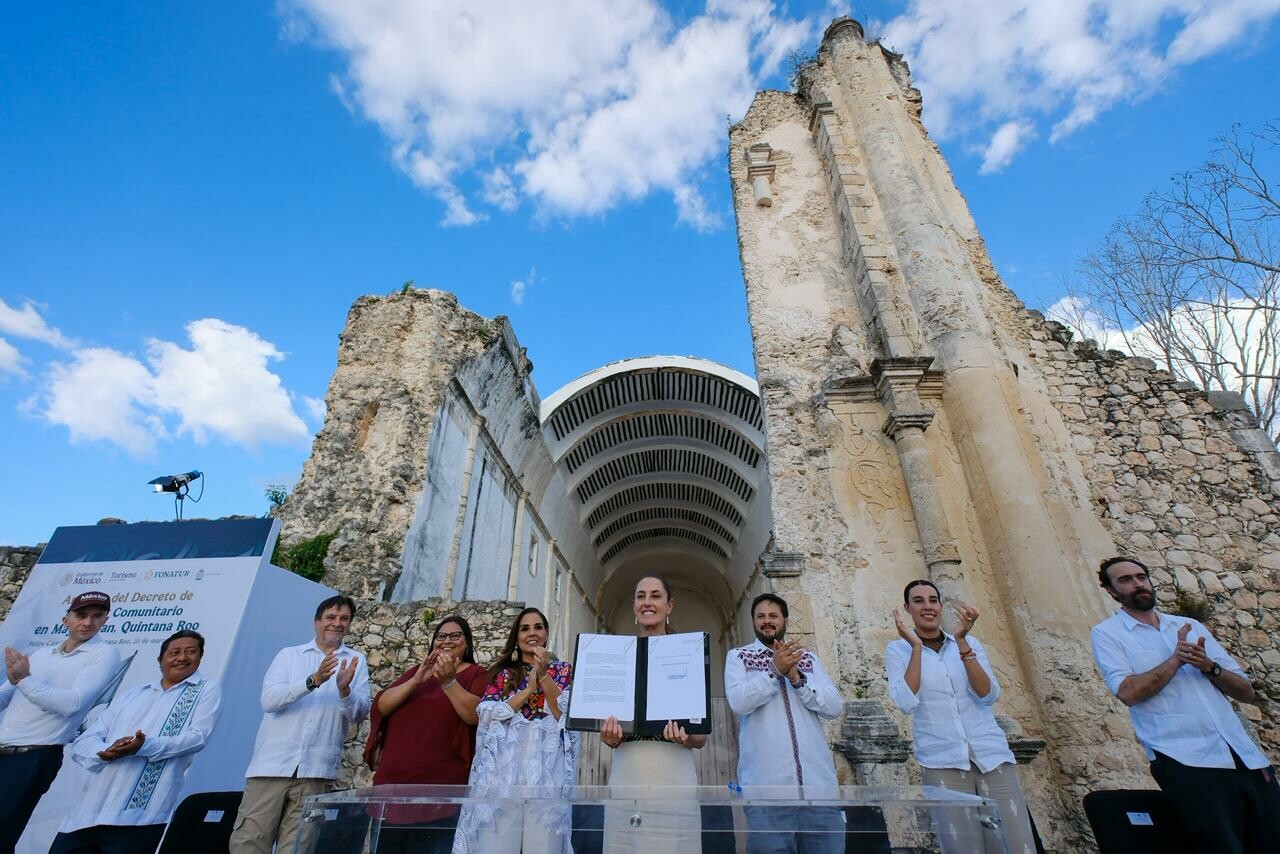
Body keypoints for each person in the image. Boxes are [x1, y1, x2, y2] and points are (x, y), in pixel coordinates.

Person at [1091, 556, 1280, 853]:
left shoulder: (1189, 625)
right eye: (1125, 580)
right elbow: (1127, 692)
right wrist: (1176, 660)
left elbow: (1245, 691)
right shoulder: (1107, 634)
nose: (1137, 584)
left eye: (1141, 576)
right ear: (1111, 591)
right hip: (1186, 761)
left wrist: (1209, 666)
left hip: (1244, 757)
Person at [886, 579, 1036, 854]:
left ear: (941, 606)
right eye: (918, 601)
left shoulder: (968, 643)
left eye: (932, 600)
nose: (927, 606)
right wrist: (917, 648)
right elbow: (907, 701)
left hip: (990, 754)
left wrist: (963, 641)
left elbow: (988, 694)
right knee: (962, 846)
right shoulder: (898, 650)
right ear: (907, 608)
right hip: (942, 758)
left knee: (1015, 841)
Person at [50, 629, 221, 854]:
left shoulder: (206, 690)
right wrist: (104, 751)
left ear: (200, 658)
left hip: (141, 816)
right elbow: (86, 739)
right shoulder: (134, 694)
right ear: (160, 659)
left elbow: (197, 738)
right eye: (175, 652)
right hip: (87, 813)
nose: (182, 657)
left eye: (191, 652)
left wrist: (143, 746)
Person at [230, 595, 371, 854]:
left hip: (316, 771)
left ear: (350, 625)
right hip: (272, 766)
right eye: (330, 617)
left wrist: (344, 690)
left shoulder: (356, 661)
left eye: (344, 619)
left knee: (299, 848)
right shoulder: (289, 655)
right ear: (316, 622)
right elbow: (270, 701)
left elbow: (359, 714)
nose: (337, 623)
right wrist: (313, 680)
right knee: (249, 843)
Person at [0, 591, 121, 854]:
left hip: (32, 756)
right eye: (81, 615)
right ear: (66, 619)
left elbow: (72, 704)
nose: (88, 622)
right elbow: (6, 695)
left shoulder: (104, 653)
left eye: (96, 616)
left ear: (105, 620)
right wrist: (19, 680)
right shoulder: (42, 654)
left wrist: (25, 680)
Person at [726, 592, 844, 853]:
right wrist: (774, 671)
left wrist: (797, 677)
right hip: (767, 795)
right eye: (761, 617)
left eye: (773, 616)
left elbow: (834, 706)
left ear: (786, 621)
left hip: (819, 793)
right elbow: (739, 702)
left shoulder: (809, 659)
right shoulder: (738, 657)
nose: (767, 621)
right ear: (753, 622)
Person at [362, 614, 489, 854]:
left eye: (455, 635)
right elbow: (381, 705)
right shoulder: (415, 673)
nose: (447, 641)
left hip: (440, 795)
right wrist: (416, 680)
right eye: (441, 636)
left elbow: (476, 714)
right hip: (394, 790)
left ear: (468, 642)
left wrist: (449, 682)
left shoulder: (476, 674)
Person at [454, 607, 576, 854]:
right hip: (503, 775)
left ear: (546, 634)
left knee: (544, 847)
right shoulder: (503, 674)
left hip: (546, 776)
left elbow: (564, 714)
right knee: (496, 847)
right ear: (517, 638)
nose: (532, 633)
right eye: (524, 628)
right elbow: (487, 715)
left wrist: (543, 677)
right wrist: (528, 690)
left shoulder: (563, 671)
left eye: (538, 627)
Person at [599, 575, 706, 851]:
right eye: (641, 596)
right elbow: (607, 725)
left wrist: (686, 737)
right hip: (627, 775)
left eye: (656, 595)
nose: (648, 602)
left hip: (672, 775)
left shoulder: (689, 654)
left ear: (669, 606)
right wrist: (610, 736)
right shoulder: (618, 658)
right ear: (634, 606)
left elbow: (701, 736)